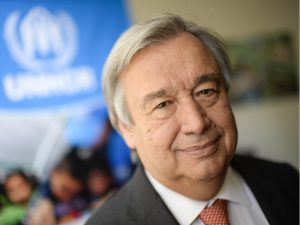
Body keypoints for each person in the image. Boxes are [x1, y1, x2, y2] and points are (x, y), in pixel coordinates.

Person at [85, 14, 299, 225]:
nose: (197, 123)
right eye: (162, 105)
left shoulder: (287, 181)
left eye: (206, 91)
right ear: (126, 129)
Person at [27, 148, 89, 225]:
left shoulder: (84, 195)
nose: (67, 198)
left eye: (74, 193)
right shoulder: (42, 197)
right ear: (53, 174)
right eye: (65, 189)